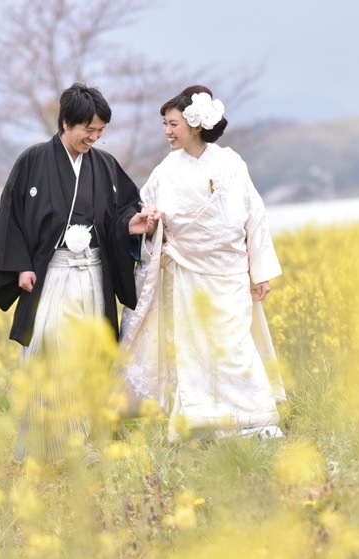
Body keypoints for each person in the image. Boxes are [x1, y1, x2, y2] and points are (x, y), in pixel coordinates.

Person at [0, 82, 158, 460]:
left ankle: (88, 442)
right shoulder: (33, 161)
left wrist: (132, 225)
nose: (93, 138)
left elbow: (124, 209)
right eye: (87, 130)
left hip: (93, 273)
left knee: (90, 354)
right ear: (66, 122)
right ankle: (53, 443)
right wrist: (21, 267)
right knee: (52, 350)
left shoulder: (106, 166)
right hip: (53, 276)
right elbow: (11, 217)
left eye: (100, 132)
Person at [119, 85, 285, 439]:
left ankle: (253, 418)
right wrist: (150, 221)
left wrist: (261, 271)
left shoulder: (230, 163)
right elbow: (146, 209)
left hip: (228, 273)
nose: (167, 131)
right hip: (186, 272)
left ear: (195, 125)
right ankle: (199, 423)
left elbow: (254, 216)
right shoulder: (166, 170)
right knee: (193, 350)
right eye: (164, 124)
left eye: (173, 123)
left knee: (234, 345)